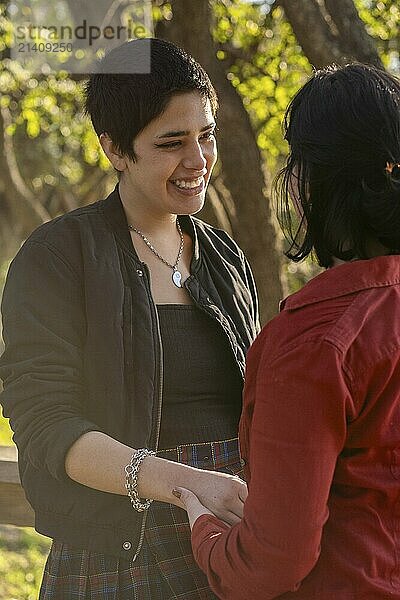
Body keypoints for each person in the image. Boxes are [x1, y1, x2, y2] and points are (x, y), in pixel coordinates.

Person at [0, 38, 259, 599]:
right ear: (114, 148)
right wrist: (182, 484)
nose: (198, 161)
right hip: (117, 555)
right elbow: (47, 427)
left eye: (206, 135)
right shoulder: (57, 257)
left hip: (229, 548)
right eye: (172, 143)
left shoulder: (225, 257)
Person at [176, 63, 400, 599]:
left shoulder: (315, 341)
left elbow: (272, 562)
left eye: (296, 163)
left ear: (317, 182)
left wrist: (204, 529)